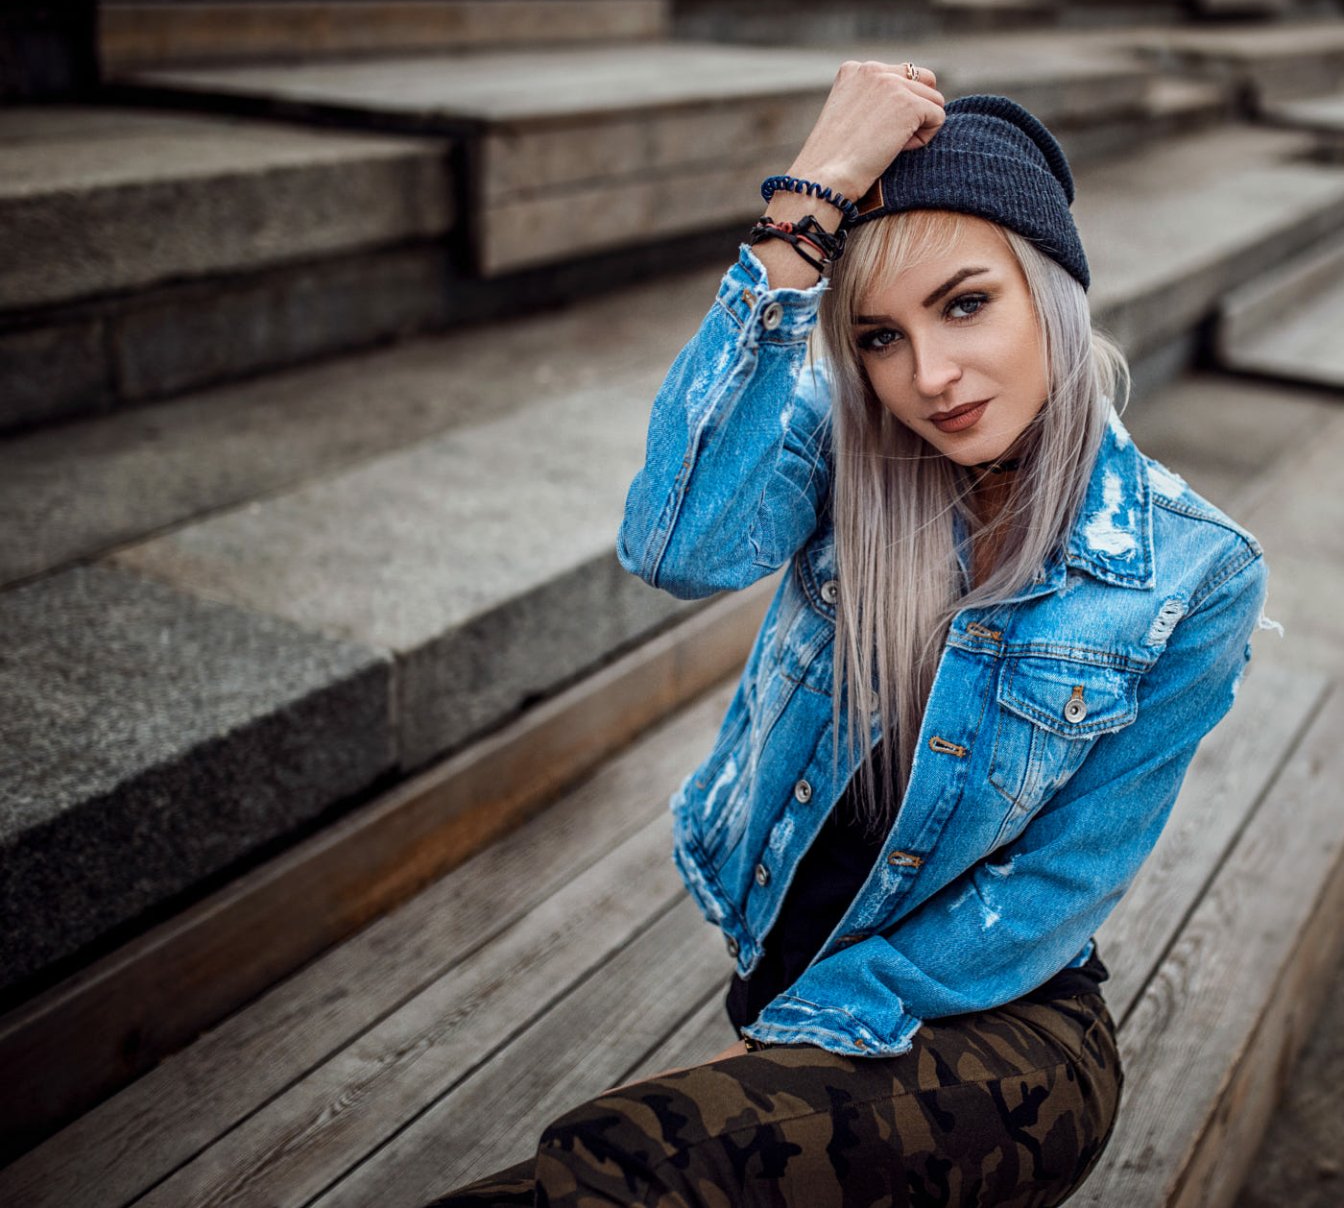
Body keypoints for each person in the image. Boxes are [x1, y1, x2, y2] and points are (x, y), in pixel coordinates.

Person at [420, 59, 1272, 1208]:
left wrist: (808, 1029)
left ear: (1051, 291)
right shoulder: (846, 447)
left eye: (967, 303)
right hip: (785, 965)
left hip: (996, 1024)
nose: (929, 375)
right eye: (877, 336)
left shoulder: (1193, 571)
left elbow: (1057, 882)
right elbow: (676, 543)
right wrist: (808, 196)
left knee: (637, 1169)